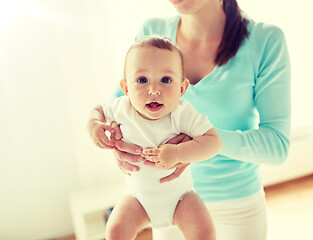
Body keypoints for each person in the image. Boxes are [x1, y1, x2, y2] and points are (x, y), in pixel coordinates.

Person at [88, 0, 291, 239]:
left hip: (236, 205)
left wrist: (197, 144)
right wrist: (115, 145)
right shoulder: (151, 35)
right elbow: (116, 111)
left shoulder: (265, 41)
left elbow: (277, 146)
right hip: (163, 198)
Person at [90, 35, 222, 240]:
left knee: (204, 232)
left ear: (181, 88)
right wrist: (94, 126)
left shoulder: (182, 113)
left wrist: (179, 152)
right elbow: (97, 110)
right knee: (115, 230)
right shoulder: (122, 108)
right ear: (126, 89)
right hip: (138, 200)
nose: (154, 90)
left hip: (180, 199)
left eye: (166, 80)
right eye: (142, 80)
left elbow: (214, 142)